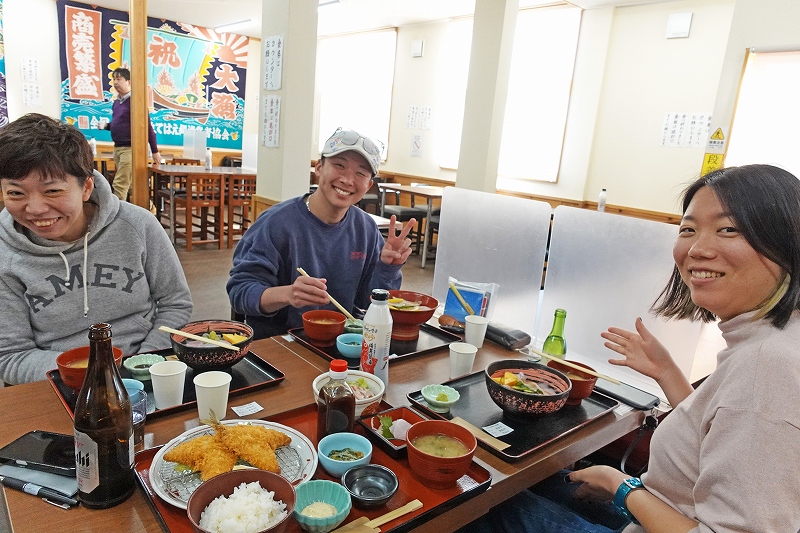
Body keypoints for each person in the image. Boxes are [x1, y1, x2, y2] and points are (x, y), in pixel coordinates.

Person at [459, 164, 800, 533]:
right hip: (657, 512)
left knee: (477, 503)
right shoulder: (771, 339)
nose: (698, 249)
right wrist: (667, 373)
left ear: (787, 241)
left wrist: (620, 486)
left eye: (728, 229)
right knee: (529, 483)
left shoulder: (769, 366)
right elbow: (718, 434)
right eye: (688, 229)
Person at [0, 113, 192, 385]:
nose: (35, 209)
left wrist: (146, 361)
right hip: (56, 381)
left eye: (52, 191)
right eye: (16, 193)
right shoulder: (5, 254)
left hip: (144, 369)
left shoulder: (137, 225)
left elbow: (176, 304)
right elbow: (10, 355)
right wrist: (91, 374)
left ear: (86, 186)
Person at [227, 127, 416, 340]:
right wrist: (288, 294)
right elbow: (240, 293)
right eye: (339, 165)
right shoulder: (276, 223)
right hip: (281, 345)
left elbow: (367, 304)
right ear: (319, 168)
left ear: (369, 185)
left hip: (341, 343)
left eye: (360, 173)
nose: (347, 179)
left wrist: (388, 268)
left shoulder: (366, 228)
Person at [103, 67, 162, 201]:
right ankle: (150, 212)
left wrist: (155, 151)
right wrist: (107, 126)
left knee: (119, 185)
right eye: (114, 79)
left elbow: (146, 126)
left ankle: (116, 218)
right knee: (130, 186)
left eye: (119, 79)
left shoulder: (136, 101)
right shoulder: (117, 102)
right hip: (117, 148)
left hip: (131, 149)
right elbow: (120, 124)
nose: (115, 82)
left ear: (128, 82)